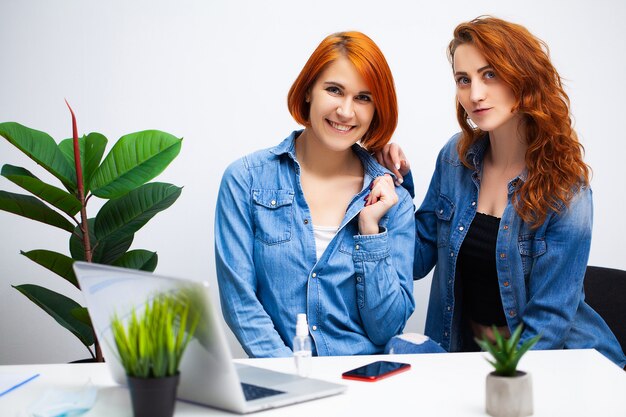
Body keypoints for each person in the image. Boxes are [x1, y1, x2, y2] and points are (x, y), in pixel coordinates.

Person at [377, 16, 626, 368]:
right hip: (470, 360)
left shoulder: (566, 189)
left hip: (560, 366)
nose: (475, 94)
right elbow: (415, 261)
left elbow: (548, 324)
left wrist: (489, 380)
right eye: (464, 80)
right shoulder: (456, 159)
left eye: (490, 74)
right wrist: (396, 185)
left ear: (523, 77)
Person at [215, 31, 429, 358]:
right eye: (334, 90)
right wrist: (294, 383)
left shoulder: (392, 202)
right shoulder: (245, 181)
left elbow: (388, 328)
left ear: (376, 111)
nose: (345, 111)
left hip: (365, 388)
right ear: (308, 93)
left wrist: (370, 231)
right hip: (284, 386)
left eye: (363, 98)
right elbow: (240, 305)